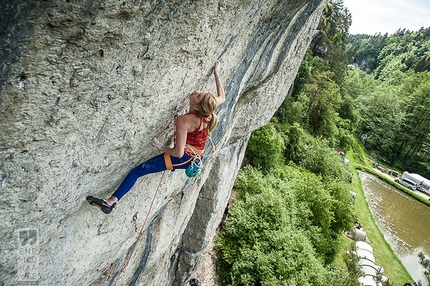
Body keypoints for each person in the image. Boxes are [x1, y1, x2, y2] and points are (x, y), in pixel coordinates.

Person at [87, 61, 225, 214]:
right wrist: (216, 73)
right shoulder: (208, 111)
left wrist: (161, 147)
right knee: (139, 171)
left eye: (198, 95)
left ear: (197, 106)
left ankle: (111, 202)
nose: (195, 91)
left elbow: (178, 153)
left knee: (137, 171)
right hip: (194, 157)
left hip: (182, 157)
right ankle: (110, 202)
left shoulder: (184, 121)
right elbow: (222, 98)